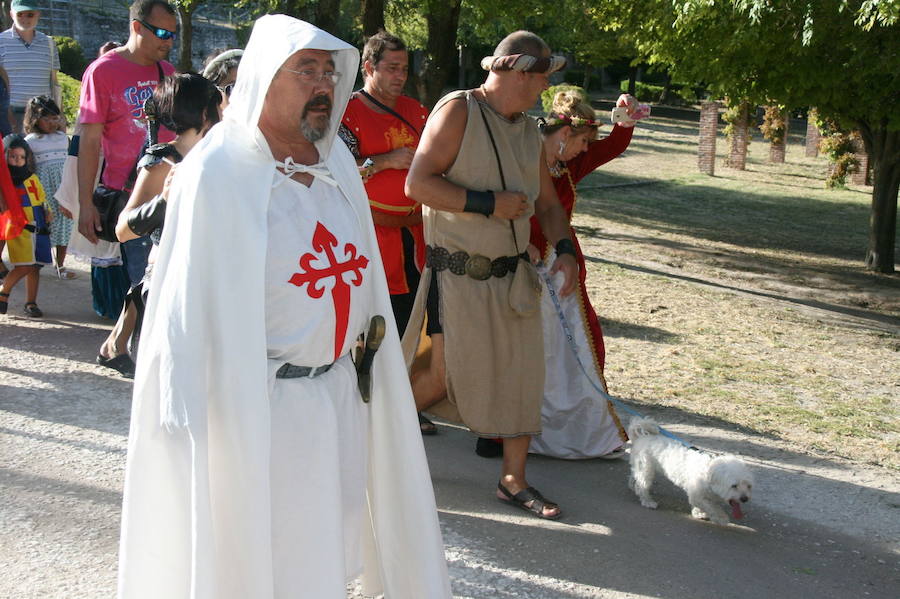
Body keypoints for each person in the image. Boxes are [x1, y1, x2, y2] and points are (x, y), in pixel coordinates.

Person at [116, 15, 450, 598]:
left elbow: (363, 282)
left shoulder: (337, 164)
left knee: (323, 554)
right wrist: (184, 403)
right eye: (306, 70)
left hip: (336, 395)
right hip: (253, 405)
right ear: (264, 77)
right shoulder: (219, 170)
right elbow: (183, 304)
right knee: (253, 560)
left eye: (330, 71)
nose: (323, 84)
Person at [402, 31, 578, 520]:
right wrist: (487, 204)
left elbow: (545, 203)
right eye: (541, 78)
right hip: (457, 275)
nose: (543, 89)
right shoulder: (458, 111)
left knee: (522, 378)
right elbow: (418, 182)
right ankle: (372, 444)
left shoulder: (526, 129)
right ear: (517, 71)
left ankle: (512, 480)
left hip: (513, 277)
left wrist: (564, 248)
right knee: (443, 377)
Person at [523, 89, 639, 459]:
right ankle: (502, 433)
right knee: (522, 350)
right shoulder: (520, 154)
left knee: (575, 350)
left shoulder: (572, 164)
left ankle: (580, 431)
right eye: (583, 141)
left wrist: (623, 119)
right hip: (521, 264)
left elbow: (611, 147)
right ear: (564, 135)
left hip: (564, 264)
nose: (588, 149)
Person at [337, 30, 435, 434]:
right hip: (369, 236)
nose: (399, 76)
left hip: (414, 237)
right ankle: (360, 404)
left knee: (410, 322)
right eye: (391, 68)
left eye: (404, 69)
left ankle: (403, 401)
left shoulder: (419, 111)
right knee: (371, 323)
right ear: (368, 67)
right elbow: (336, 172)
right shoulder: (348, 112)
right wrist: (385, 160)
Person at [77, 0, 177, 377]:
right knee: (147, 276)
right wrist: (85, 203)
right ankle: (151, 366)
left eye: (173, 34)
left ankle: (114, 346)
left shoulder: (166, 71)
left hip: (170, 188)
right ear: (138, 27)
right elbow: (88, 141)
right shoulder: (102, 71)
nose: (169, 41)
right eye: (162, 33)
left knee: (149, 276)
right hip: (130, 196)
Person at [115, 72, 221, 355]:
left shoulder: (222, 155)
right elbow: (123, 230)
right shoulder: (162, 162)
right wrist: (164, 199)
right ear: (204, 111)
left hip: (214, 278)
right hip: (173, 281)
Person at [0, 134, 50, 316]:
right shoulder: (4, 183)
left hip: (39, 226)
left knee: (35, 266)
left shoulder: (32, 177)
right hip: (20, 229)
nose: (18, 161)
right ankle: (4, 292)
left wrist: (47, 210)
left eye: (22, 157)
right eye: (13, 156)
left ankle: (31, 302)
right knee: (25, 265)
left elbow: (41, 198)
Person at [24, 95, 73, 279]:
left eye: (55, 118)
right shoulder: (30, 141)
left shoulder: (63, 138)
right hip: (43, 191)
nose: (53, 122)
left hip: (63, 188)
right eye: (47, 118)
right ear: (35, 119)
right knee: (43, 226)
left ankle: (60, 266)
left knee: (65, 226)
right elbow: (29, 169)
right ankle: (35, 264)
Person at [0, 1, 60, 134]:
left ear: (38, 14)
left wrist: (59, 116)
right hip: (11, 116)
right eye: (20, 14)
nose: (25, 19)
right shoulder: (1, 42)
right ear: (11, 14)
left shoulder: (49, 43)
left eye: (30, 14)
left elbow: (54, 82)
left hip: (43, 116)